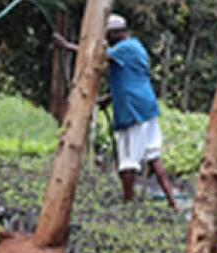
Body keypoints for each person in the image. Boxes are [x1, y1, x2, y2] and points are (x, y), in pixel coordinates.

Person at [57, 15, 176, 208]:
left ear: (116, 34)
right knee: (153, 156)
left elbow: (96, 57)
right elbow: (129, 78)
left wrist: (67, 46)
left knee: (128, 159)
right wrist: (108, 98)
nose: (106, 40)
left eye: (108, 35)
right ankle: (172, 202)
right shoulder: (136, 47)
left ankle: (127, 203)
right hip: (146, 106)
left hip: (133, 109)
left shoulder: (125, 48)